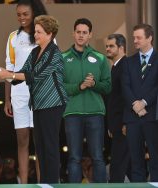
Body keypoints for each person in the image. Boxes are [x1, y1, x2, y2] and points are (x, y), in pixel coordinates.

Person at [0, 15, 67, 183]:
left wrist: (11, 74)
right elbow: (22, 72)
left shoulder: (54, 53)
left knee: (49, 144)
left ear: (50, 34)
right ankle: (44, 182)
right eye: (35, 31)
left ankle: (52, 182)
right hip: (37, 104)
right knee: (40, 145)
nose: (35, 35)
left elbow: (35, 75)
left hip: (53, 103)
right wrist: (6, 74)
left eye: (39, 32)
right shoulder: (35, 51)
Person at [62, 18, 111, 183]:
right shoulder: (63, 57)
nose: (81, 36)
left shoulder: (100, 58)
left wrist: (94, 84)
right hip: (72, 113)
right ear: (73, 33)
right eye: (78, 32)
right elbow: (60, 87)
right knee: (74, 157)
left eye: (84, 33)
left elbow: (108, 87)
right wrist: (80, 86)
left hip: (95, 112)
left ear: (90, 35)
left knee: (97, 156)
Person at [4, 0, 47, 183]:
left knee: (39, 141)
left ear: (34, 13)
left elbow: (51, 66)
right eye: (19, 14)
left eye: (25, 14)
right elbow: (9, 68)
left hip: (40, 92)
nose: (22, 17)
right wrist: (7, 99)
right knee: (22, 140)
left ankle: (41, 182)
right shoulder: (13, 36)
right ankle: (23, 183)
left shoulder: (45, 34)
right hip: (19, 93)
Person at [122, 23, 158, 182]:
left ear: (149, 38)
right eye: (134, 37)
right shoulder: (128, 62)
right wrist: (135, 105)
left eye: (138, 37)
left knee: (156, 160)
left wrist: (143, 102)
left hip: (153, 117)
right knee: (136, 161)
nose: (135, 40)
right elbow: (125, 86)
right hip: (133, 118)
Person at [105, 33, 131, 182]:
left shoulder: (126, 66)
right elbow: (114, 99)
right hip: (117, 126)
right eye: (107, 46)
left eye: (111, 46)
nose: (107, 49)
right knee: (123, 166)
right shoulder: (115, 67)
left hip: (124, 126)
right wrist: (111, 124)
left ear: (121, 47)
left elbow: (129, 96)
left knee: (117, 168)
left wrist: (126, 122)